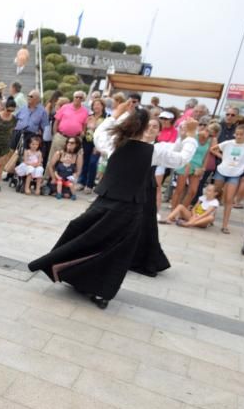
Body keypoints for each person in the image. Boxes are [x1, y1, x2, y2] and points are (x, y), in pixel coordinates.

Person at [28, 102, 160, 309]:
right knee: (116, 250)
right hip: (129, 208)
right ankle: (99, 289)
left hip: (106, 202)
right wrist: (189, 137)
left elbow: (100, 133)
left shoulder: (114, 142)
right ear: (144, 128)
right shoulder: (154, 151)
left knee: (84, 236)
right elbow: (181, 158)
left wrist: (115, 114)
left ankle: (73, 275)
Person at [210, 123, 244, 234]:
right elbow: (213, 149)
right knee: (215, 194)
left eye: (241, 134)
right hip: (222, 171)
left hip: (235, 174)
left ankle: (225, 225)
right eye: (237, 134)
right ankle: (210, 218)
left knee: (229, 199)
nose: (238, 136)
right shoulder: (228, 143)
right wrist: (223, 158)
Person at [77, 98, 107, 192]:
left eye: (98, 104)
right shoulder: (89, 116)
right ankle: (82, 182)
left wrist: (99, 146)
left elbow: (106, 133)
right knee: (85, 162)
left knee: (93, 163)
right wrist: (82, 132)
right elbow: (84, 129)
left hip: (98, 144)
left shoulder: (106, 118)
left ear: (103, 106)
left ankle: (89, 185)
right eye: (94, 105)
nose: (96, 106)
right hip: (87, 141)